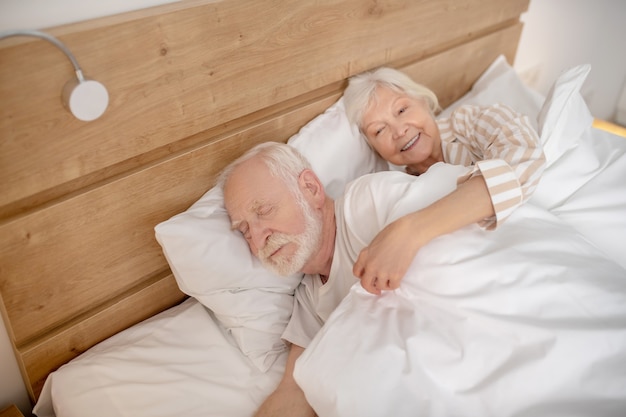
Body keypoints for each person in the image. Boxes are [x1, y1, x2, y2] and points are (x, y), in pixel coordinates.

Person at [219, 141, 470, 416]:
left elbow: (472, 203)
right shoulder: (307, 299)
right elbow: (292, 391)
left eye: (264, 211)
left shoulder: (366, 203)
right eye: (244, 230)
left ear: (311, 189)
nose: (257, 239)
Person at [342, 67, 546, 294]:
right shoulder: (396, 191)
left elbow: (525, 161)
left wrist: (411, 231)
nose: (399, 130)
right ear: (375, 150)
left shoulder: (473, 123)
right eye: (379, 130)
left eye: (401, 110)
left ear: (424, 102)